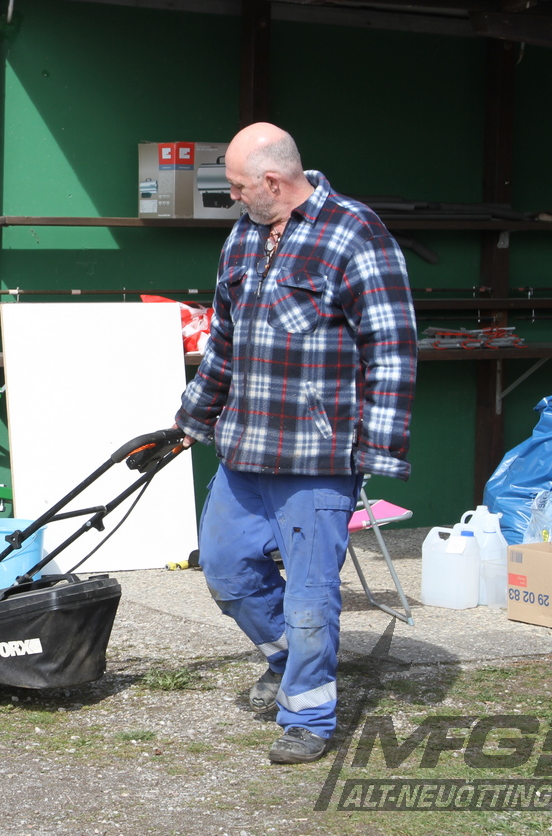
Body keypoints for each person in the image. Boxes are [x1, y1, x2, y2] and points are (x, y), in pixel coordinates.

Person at [175, 124, 417, 764]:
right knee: (225, 570)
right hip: (244, 451)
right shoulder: (243, 237)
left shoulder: (355, 233)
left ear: (273, 181)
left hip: (316, 457)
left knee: (311, 596)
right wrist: (191, 418)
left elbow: (392, 349)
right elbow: (223, 342)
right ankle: (290, 661)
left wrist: (379, 451)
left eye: (237, 187)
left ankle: (309, 716)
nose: (232, 198)